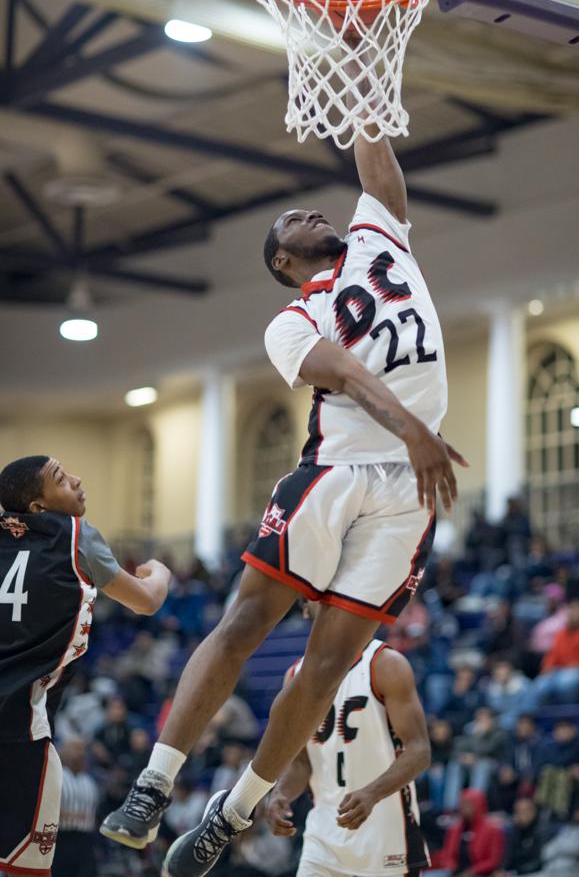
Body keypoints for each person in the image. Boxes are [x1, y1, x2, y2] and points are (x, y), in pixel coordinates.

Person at [102, 92, 466, 876]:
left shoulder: (381, 235)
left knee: (328, 665)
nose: (308, 211)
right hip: (335, 472)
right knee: (245, 626)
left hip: (407, 487)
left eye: (309, 208)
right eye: (292, 221)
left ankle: (229, 815)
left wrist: (364, 62)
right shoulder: (291, 319)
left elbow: (375, 152)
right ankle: (153, 783)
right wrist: (409, 426)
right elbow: (339, 370)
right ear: (282, 262)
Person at [0, 454, 170, 877]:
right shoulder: (75, 535)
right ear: (38, 507)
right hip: (20, 730)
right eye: (60, 478)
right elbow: (146, 600)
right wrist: (160, 572)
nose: (76, 479)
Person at [267, 607, 430, 876]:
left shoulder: (385, 664)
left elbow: (419, 752)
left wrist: (372, 793)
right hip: (323, 838)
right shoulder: (295, 676)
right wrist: (281, 793)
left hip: (385, 836)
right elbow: (301, 762)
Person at [527, 599, 579, 706]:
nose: (574, 613)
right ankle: (548, 716)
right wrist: (547, 666)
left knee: (565, 683)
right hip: (560, 670)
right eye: (572, 609)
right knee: (539, 685)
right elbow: (553, 654)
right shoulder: (561, 634)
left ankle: (568, 712)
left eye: (578, 610)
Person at [429, 789, 505, 877]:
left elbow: (493, 860)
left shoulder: (492, 830)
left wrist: (472, 871)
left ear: (478, 804)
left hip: (479, 873)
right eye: (462, 803)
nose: (463, 807)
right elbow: (448, 854)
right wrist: (450, 866)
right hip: (456, 871)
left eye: (468, 804)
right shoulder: (455, 829)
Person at [52, 738, 99, 877]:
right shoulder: (56, 777)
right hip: (60, 839)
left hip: (85, 840)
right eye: (76, 748)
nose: (81, 753)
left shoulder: (89, 781)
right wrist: (67, 815)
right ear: (63, 751)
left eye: (83, 749)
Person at [534, 718, 579, 819]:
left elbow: (568, 762)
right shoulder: (550, 748)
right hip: (559, 777)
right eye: (559, 730)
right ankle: (544, 808)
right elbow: (540, 767)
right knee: (549, 772)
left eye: (565, 729)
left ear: (574, 730)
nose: (562, 733)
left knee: (562, 774)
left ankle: (559, 812)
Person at [445, 707, 507, 810]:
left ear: (492, 719)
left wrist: (479, 735)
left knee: (482, 766)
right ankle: (451, 808)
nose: (481, 722)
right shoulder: (470, 729)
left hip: (494, 764)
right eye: (479, 719)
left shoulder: (499, 732)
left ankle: (475, 805)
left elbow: (488, 749)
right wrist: (464, 757)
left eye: (484, 718)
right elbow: (459, 747)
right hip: (472, 762)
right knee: (454, 765)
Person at [494, 797, 546, 877]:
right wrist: (502, 870)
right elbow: (508, 855)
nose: (519, 815)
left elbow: (539, 862)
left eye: (523, 811)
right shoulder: (514, 831)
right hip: (513, 872)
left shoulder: (541, 832)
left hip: (532, 873)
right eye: (517, 812)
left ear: (533, 812)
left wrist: (515, 872)